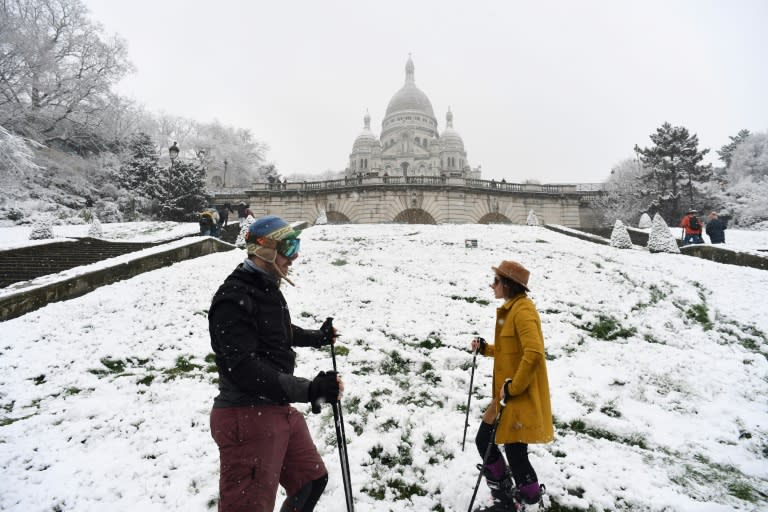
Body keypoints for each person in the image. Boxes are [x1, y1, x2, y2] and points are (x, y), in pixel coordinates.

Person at [208, 215, 343, 512]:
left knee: (311, 480)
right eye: (288, 247)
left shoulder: (264, 287)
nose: (293, 258)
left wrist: (316, 337)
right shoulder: (233, 298)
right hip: (245, 415)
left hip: (274, 408)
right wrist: (308, 390)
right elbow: (244, 369)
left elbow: (274, 330)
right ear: (264, 249)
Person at [470, 260, 553, 511]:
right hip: (507, 395)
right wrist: (485, 349)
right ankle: (506, 493)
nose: (491, 285)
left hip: (518, 395)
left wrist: (514, 388)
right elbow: (510, 350)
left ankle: (527, 501)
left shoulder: (523, 311)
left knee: (513, 451)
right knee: (488, 441)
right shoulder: (512, 309)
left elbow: (534, 353)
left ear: (508, 284)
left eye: (496, 281)